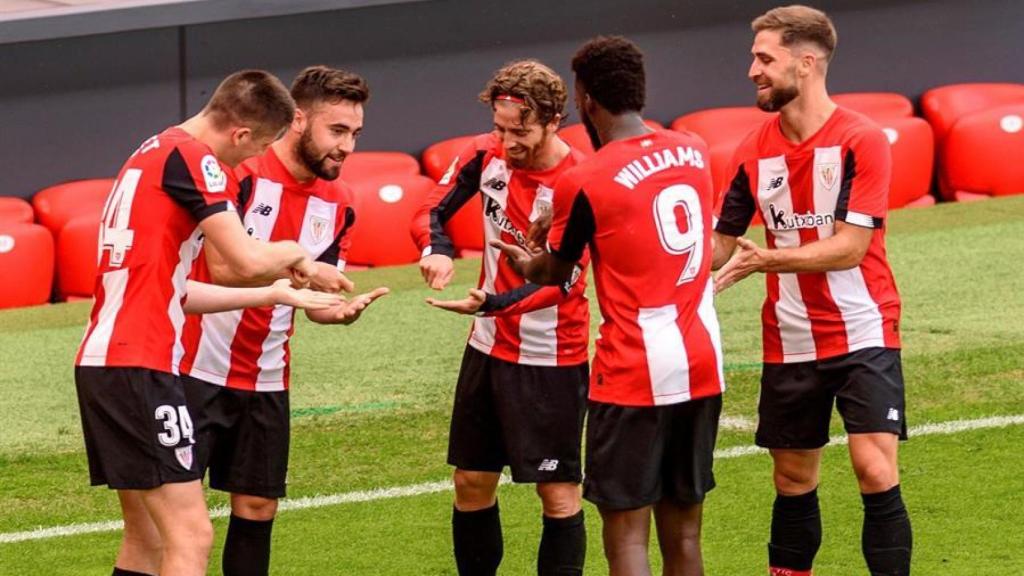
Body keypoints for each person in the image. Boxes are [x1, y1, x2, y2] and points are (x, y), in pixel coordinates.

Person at [494, 36, 725, 576]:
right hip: (702, 359)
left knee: (626, 538)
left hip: (634, 370)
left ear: (586, 100)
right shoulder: (695, 149)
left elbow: (557, 271)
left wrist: (528, 257)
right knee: (685, 533)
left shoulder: (584, 178)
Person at [74, 69, 319, 576]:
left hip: (108, 360)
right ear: (241, 134)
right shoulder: (195, 158)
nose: (253, 162)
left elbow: (173, 290)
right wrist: (298, 253)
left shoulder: (152, 150)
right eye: (259, 148)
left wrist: (270, 292)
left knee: (147, 539)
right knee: (191, 535)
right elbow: (247, 258)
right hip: (140, 362)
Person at [712, 6, 912, 575]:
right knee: (792, 478)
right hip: (790, 339)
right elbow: (722, 241)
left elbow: (850, 247)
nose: (752, 69)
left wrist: (766, 260)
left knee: (875, 470)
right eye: (754, 57)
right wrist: (663, 272)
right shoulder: (751, 149)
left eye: (764, 58)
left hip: (864, 328)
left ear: (806, 63)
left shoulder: (861, 139)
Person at [177, 65, 389, 576]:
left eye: (355, 133)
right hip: (191, 368)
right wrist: (293, 264)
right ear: (297, 121)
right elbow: (227, 269)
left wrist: (337, 311)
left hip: (267, 377)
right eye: (337, 130)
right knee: (180, 523)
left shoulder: (340, 204)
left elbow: (314, 295)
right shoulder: (242, 172)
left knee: (258, 508)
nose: (348, 147)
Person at [410, 60, 590, 576]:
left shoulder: (578, 182)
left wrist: (492, 304)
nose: (506, 141)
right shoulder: (483, 154)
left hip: (551, 357)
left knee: (556, 494)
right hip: (487, 349)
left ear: (554, 120)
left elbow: (567, 282)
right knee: (471, 482)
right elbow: (431, 209)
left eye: (521, 131)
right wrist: (436, 249)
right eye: (499, 127)